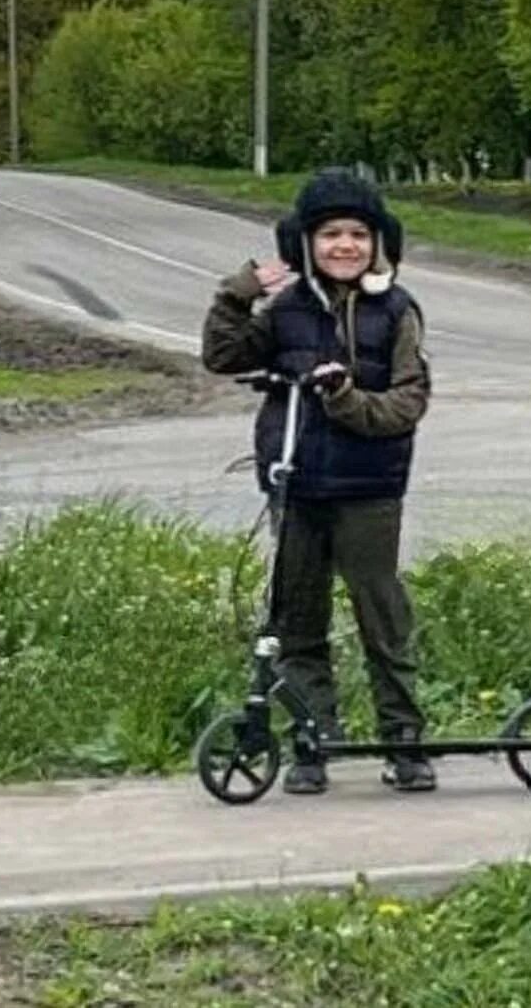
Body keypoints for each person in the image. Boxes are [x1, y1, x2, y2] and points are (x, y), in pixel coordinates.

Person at [202, 168, 435, 794]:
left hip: (369, 489)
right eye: (330, 233)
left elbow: (406, 404)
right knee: (296, 619)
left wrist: (345, 398)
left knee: (381, 616)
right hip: (296, 484)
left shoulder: (397, 312)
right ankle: (313, 740)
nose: (344, 246)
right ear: (304, 243)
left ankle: (404, 741)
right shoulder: (286, 310)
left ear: (378, 242)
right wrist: (237, 293)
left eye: (358, 234)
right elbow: (224, 356)